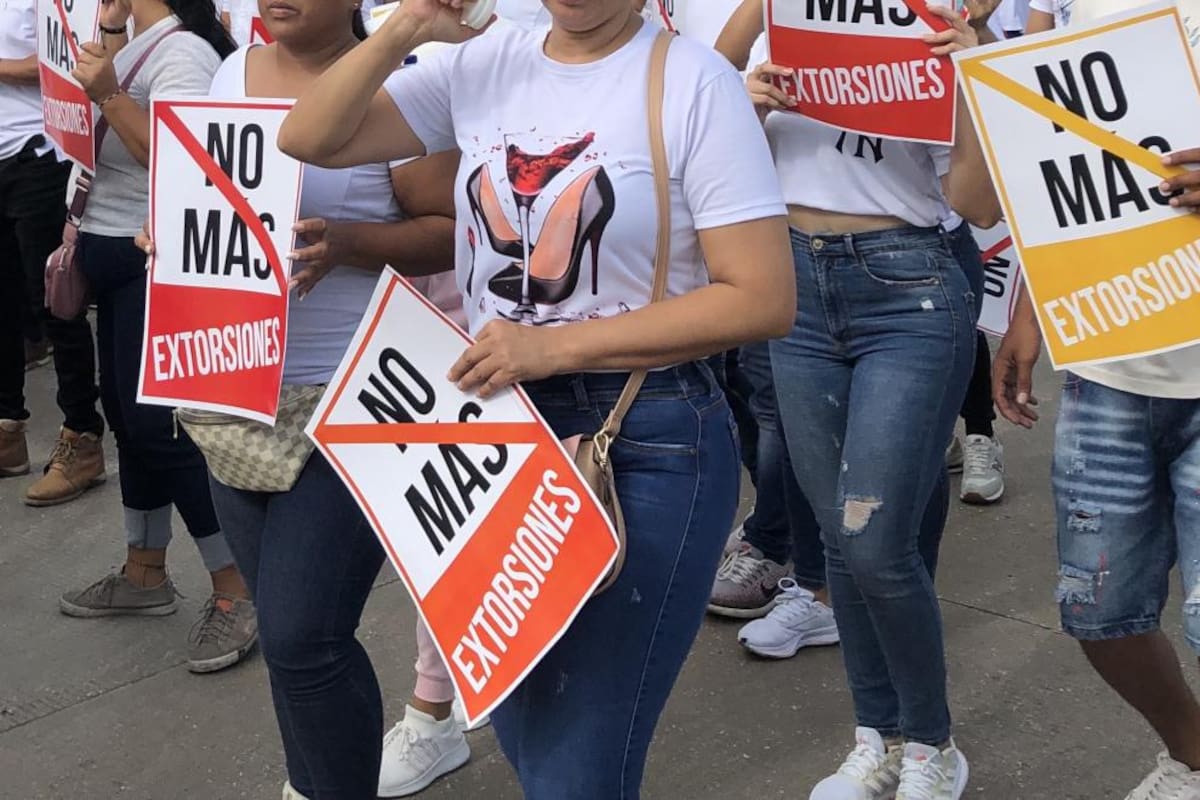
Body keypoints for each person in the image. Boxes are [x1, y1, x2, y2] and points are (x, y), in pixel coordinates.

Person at [279, 0, 795, 795]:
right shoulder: (479, 61)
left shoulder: (693, 82)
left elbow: (761, 297)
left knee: (578, 760)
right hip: (495, 433)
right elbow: (307, 137)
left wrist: (552, 345)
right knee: (521, 716)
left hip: (642, 431)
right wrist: (407, 28)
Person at [157, 3, 468, 797]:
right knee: (297, 645)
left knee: (302, 638)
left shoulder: (402, 87)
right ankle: (312, 781)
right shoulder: (232, 73)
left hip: (353, 402)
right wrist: (169, 235)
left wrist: (349, 243)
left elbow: (450, 231)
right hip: (230, 393)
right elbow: (207, 211)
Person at [718, 0, 1002, 797]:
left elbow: (978, 205)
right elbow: (703, 110)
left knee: (873, 538)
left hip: (908, 284)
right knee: (841, 543)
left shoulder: (932, 20)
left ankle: (932, 746)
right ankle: (876, 737)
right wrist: (746, 95)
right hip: (797, 287)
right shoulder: (783, 22)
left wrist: (972, 74)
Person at [995, 3, 1200, 799]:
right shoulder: (1087, 9)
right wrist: (1028, 308)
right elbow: (1059, 172)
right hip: (1109, 370)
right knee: (1099, 611)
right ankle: (1191, 755)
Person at [56, 0, 257, 676]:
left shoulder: (183, 55)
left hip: (158, 260)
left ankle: (236, 587)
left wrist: (108, 92)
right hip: (114, 253)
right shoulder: (134, 39)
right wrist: (108, 47)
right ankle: (145, 570)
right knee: (128, 419)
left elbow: (184, 160)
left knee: (160, 428)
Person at [0, 0, 108, 506]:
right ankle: (7, 430)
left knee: (55, 301)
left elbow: (63, 62)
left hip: (37, 155)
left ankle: (82, 435)